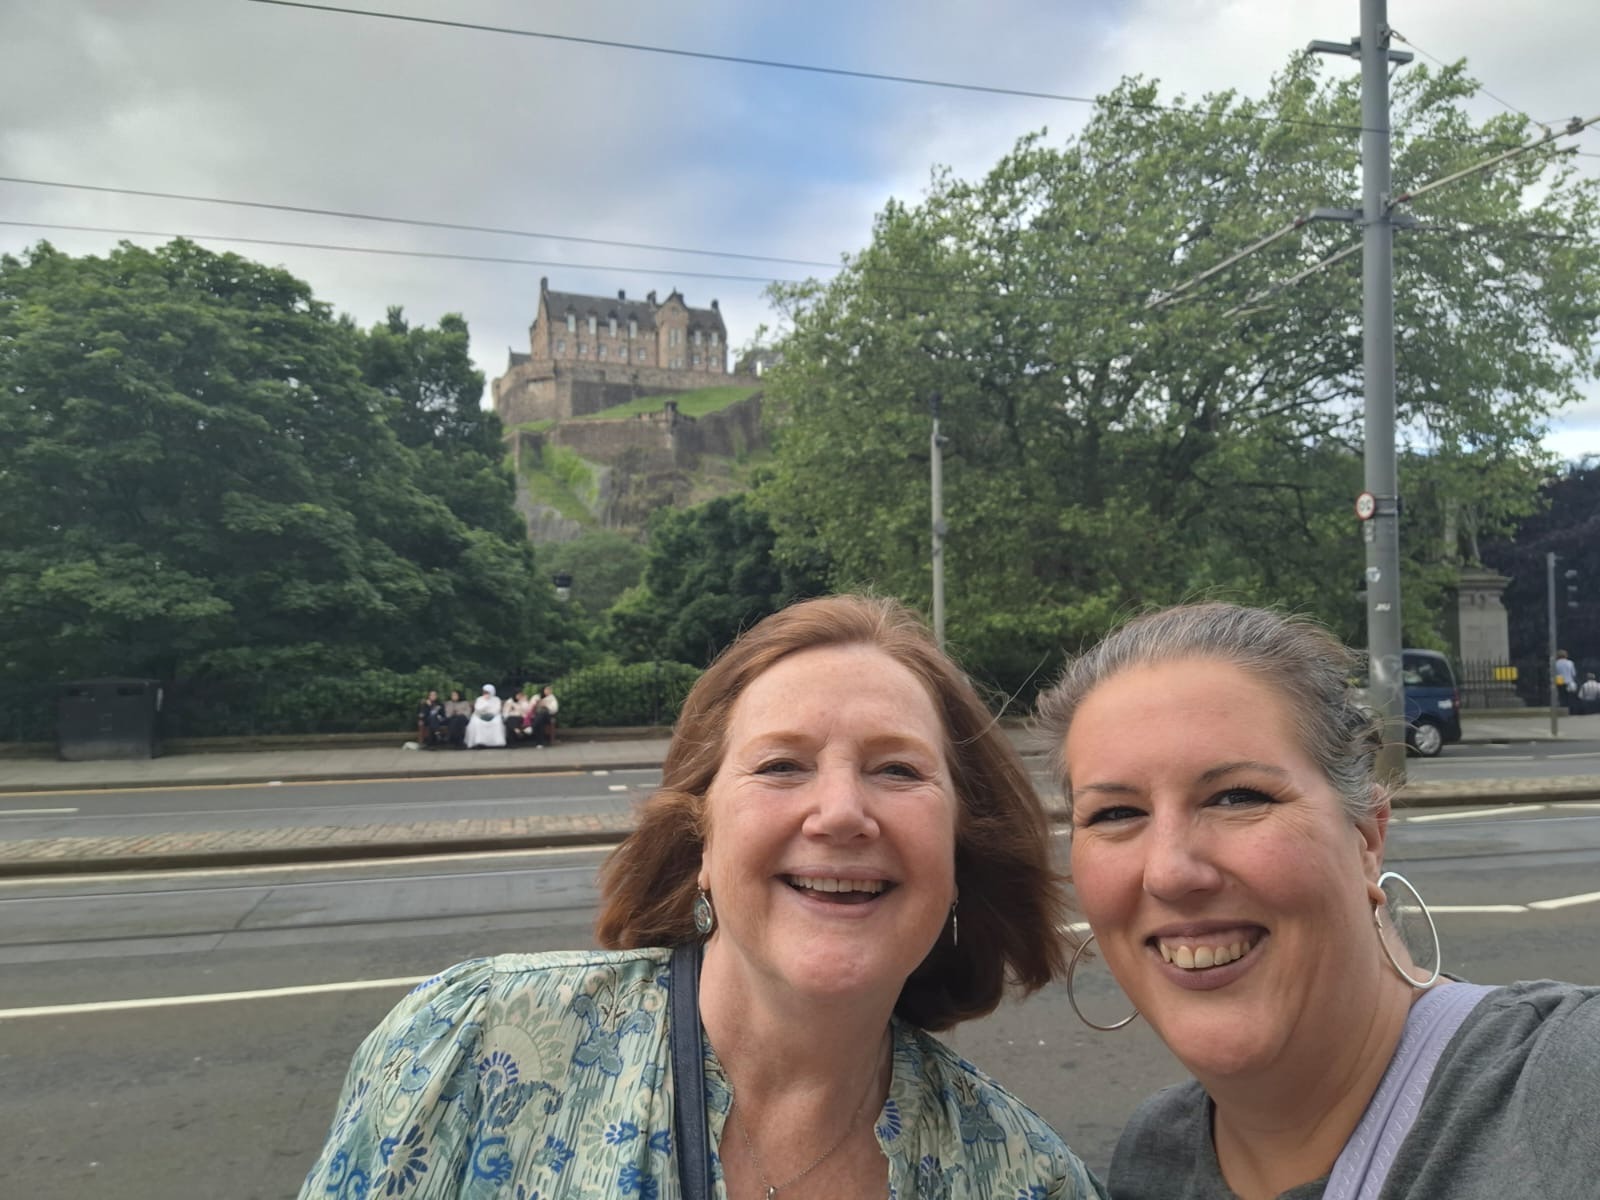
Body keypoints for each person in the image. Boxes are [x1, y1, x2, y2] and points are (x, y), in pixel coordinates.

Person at [298, 595, 1106, 1200]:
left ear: (963, 850)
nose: (840, 814)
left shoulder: (1026, 1177)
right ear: (699, 845)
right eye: (780, 765)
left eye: (897, 769)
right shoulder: (473, 1047)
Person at [1035, 603, 1600, 1200]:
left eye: (1236, 797)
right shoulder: (1152, 1156)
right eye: (1117, 813)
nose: (1171, 873)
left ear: (1367, 837)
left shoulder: (1567, 1085)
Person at [462, 683, 505, 749]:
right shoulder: (479, 699)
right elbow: (477, 709)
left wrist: (489, 712)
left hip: (493, 716)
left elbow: (497, 709)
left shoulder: (496, 699)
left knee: (497, 722)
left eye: (487, 692)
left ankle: (497, 742)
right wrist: (485, 704)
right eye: (484, 692)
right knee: (477, 723)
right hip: (480, 716)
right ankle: (479, 742)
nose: (486, 693)